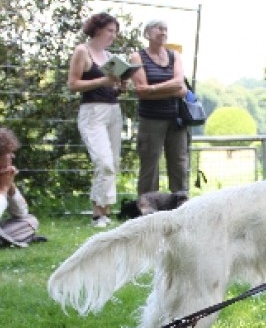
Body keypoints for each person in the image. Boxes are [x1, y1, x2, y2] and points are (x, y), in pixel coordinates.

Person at [67, 12, 125, 228]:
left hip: (113, 111)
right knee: (103, 162)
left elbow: (111, 87)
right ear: (98, 29)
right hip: (92, 112)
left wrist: (121, 86)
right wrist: (103, 81)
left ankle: (105, 212)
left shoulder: (109, 56)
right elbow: (73, 84)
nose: (113, 35)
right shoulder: (82, 51)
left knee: (113, 162)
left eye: (115, 32)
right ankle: (97, 215)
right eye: (110, 30)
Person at [128, 19, 189, 196]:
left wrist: (153, 89)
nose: (163, 32)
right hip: (151, 120)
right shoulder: (137, 57)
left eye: (165, 29)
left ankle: (181, 203)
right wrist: (171, 90)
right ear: (147, 33)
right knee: (150, 165)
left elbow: (180, 85)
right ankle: (147, 205)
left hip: (176, 119)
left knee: (179, 163)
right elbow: (141, 91)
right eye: (158, 29)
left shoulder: (174, 56)